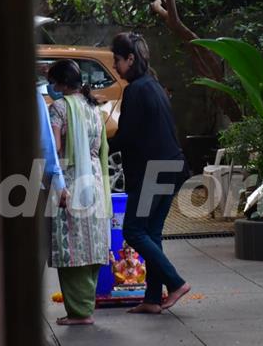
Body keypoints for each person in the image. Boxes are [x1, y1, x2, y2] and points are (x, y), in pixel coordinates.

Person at [109, 32, 191, 314]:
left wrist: (99, 146)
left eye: (117, 60)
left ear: (130, 59)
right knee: (151, 233)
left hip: (154, 172)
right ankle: (153, 299)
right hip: (173, 167)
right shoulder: (152, 85)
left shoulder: (136, 90)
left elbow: (126, 137)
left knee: (133, 230)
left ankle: (176, 282)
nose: (115, 67)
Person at [46, 59, 112, 326]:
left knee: (71, 247)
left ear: (60, 84)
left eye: (53, 81)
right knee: (92, 243)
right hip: (95, 180)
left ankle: (79, 312)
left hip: (71, 183)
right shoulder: (93, 108)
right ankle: (86, 307)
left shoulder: (59, 108)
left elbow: (55, 148)